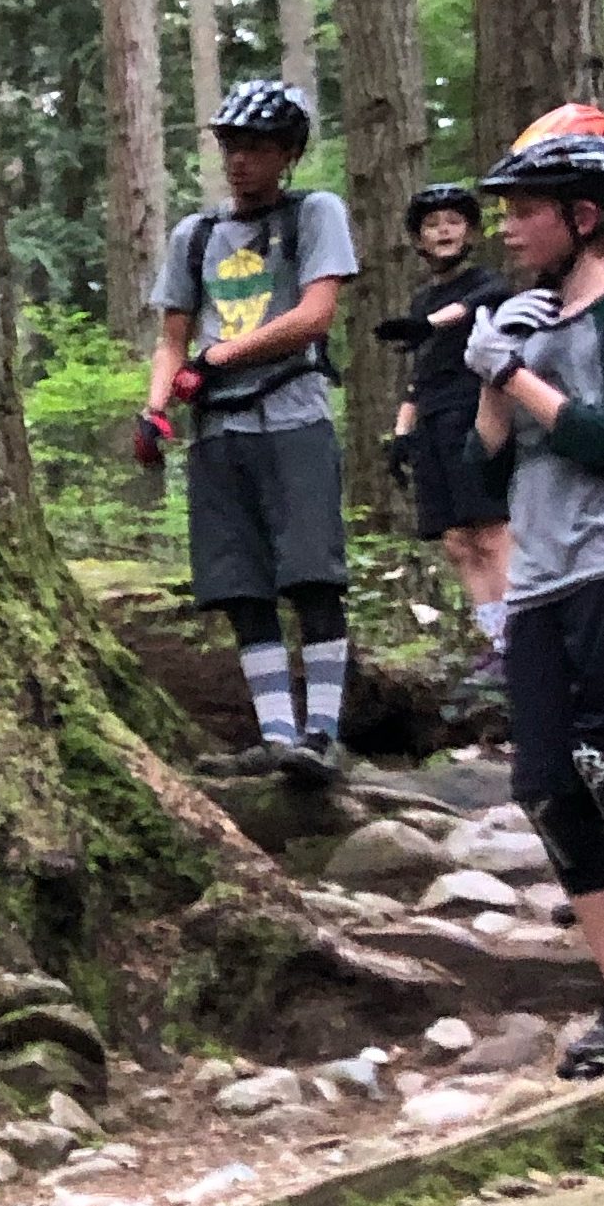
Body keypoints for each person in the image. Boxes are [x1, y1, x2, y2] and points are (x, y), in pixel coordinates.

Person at [140, 80, 358, 782]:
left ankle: (323, 734)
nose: (240, 162)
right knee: (241, 585)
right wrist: (156, 408)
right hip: (217, 432)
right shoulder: (195, 234)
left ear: (289, 154)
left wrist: (221, 357)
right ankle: (276, 736)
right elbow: (172, 337)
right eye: (232, 146)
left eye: (258, 149)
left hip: (293, 415)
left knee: (313, 575)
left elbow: (314, 315)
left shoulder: (314, 213)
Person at [465, 108, 604, 1077]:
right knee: (551, 789)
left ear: (586, 214)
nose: (507, 228)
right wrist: (488, 377)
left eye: (525, 210)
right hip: (538, 588)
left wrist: (515, 375)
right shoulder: (532, 319)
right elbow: (479, 474)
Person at [374, 183, 514, 682]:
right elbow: (419, 374)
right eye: (432, 225)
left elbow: (479, 305)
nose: (443, 231)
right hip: (432, 418)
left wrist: (429, 323)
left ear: (470, 231)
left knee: (491, 530)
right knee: (456, 540)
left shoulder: (486, 283)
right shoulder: (422, 299)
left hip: (476, 413)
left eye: (453, 221)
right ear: (419, 240)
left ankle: (521, 642)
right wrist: (401, 433)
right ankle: (496, 640)